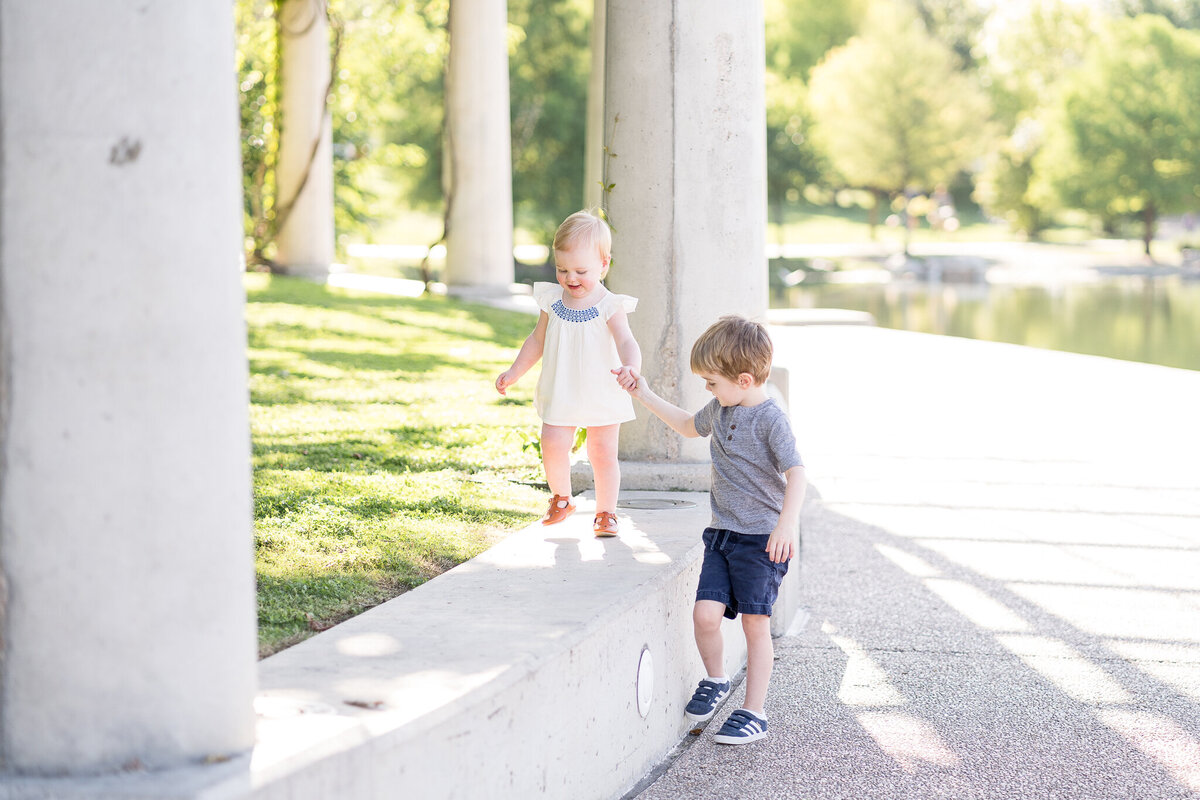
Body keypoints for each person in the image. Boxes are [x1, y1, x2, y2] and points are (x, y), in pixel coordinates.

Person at [623, 316, 806, 745]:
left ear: (743, 379)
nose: (709, 389)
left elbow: (797, 473)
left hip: (762, 542)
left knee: (755, 625)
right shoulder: (723, 409)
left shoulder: (770, 421)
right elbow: (689, 425)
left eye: (712, 382)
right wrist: (643, 393)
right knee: (705, 616)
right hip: (722, 536)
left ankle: (754, 712)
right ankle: (718, 678)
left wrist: (786, 525)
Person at [495, 211, 641, 537]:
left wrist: (631, 367)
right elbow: (537, 341)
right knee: (552, 442)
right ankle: (562, 498)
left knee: (602, 453)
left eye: (581, 271)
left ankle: (606, 513)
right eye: (562, 269)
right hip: (562, 388)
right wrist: (515, 371)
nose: (570, 277)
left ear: (604, 265)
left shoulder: (609, 305)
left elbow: (627, 341)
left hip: (602, 388)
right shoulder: (552, 300)